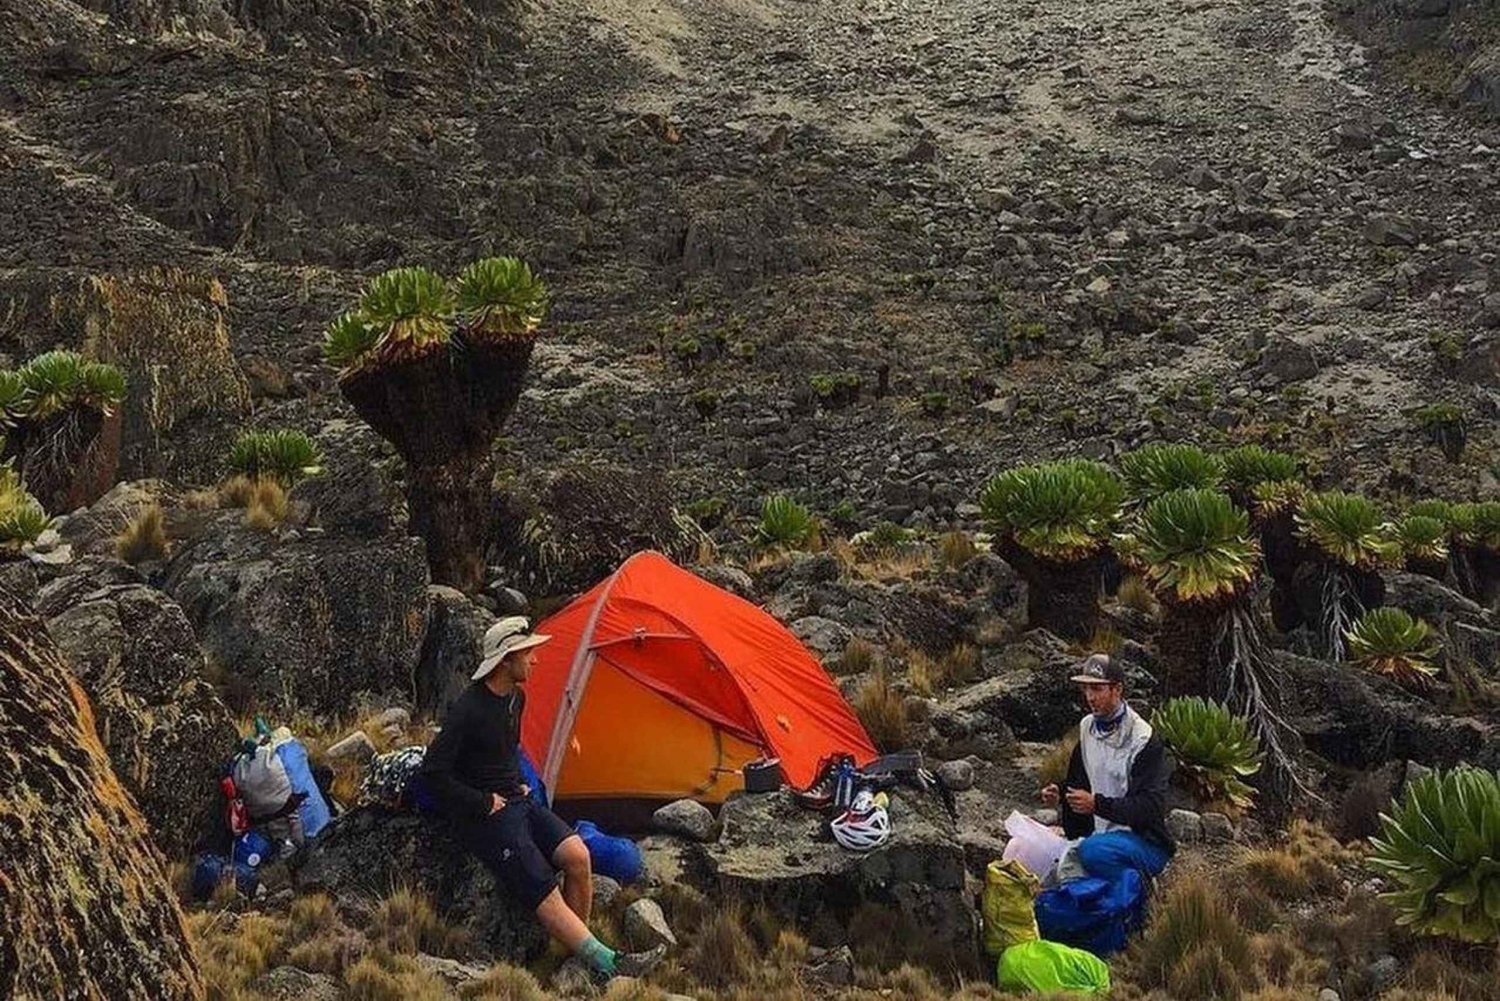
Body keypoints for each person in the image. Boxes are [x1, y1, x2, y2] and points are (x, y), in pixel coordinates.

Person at [419, 616, 663, 981]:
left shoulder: (517, 698)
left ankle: (573, 953)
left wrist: (519, 783)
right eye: (528, 654)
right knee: (542, 885)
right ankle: (608, 963)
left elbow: (508, 751)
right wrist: (482, 802)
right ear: (506, 660)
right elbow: (432, 773)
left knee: (578, 856)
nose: (535, 660)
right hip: (487, 817)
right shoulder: (468, 710)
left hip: (520, 801)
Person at [1040, 654, 1174, 881]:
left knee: (1092, 853)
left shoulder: (1143, 739)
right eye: (1086, 690)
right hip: (1100, 834)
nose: (1090, 697)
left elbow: (1151, 806)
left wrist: (1097, 804)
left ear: (1117, 689)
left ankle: (1143, 891)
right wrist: (1060, 792)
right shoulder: (1087, 727)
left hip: (1142, 841)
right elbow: (1083, 779)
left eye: (1097, 689)